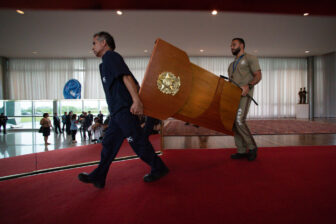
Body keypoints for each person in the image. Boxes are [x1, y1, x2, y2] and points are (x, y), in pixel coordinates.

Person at [78, 31, 169, 188]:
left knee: (137, 141)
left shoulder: (111, 57)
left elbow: (126, 77)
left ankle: (159, 168)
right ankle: (99, 176)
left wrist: (136, 101)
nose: (92, 47)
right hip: (116, 113)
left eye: (94, 43)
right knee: (109, 143)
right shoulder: (104, 63)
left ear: (103, 43)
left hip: (124, 110)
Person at [228, 38, 262, 161]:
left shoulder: (250, 58)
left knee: (239, 120)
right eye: (231, 45)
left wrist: (249, 86)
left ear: (241, 45)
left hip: (245, 96)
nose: (231, 47)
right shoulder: (231, 65)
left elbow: (258, 75)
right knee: (233, 123)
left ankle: (252, 147)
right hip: (233, 97)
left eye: (234, 45)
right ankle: (241, 150)